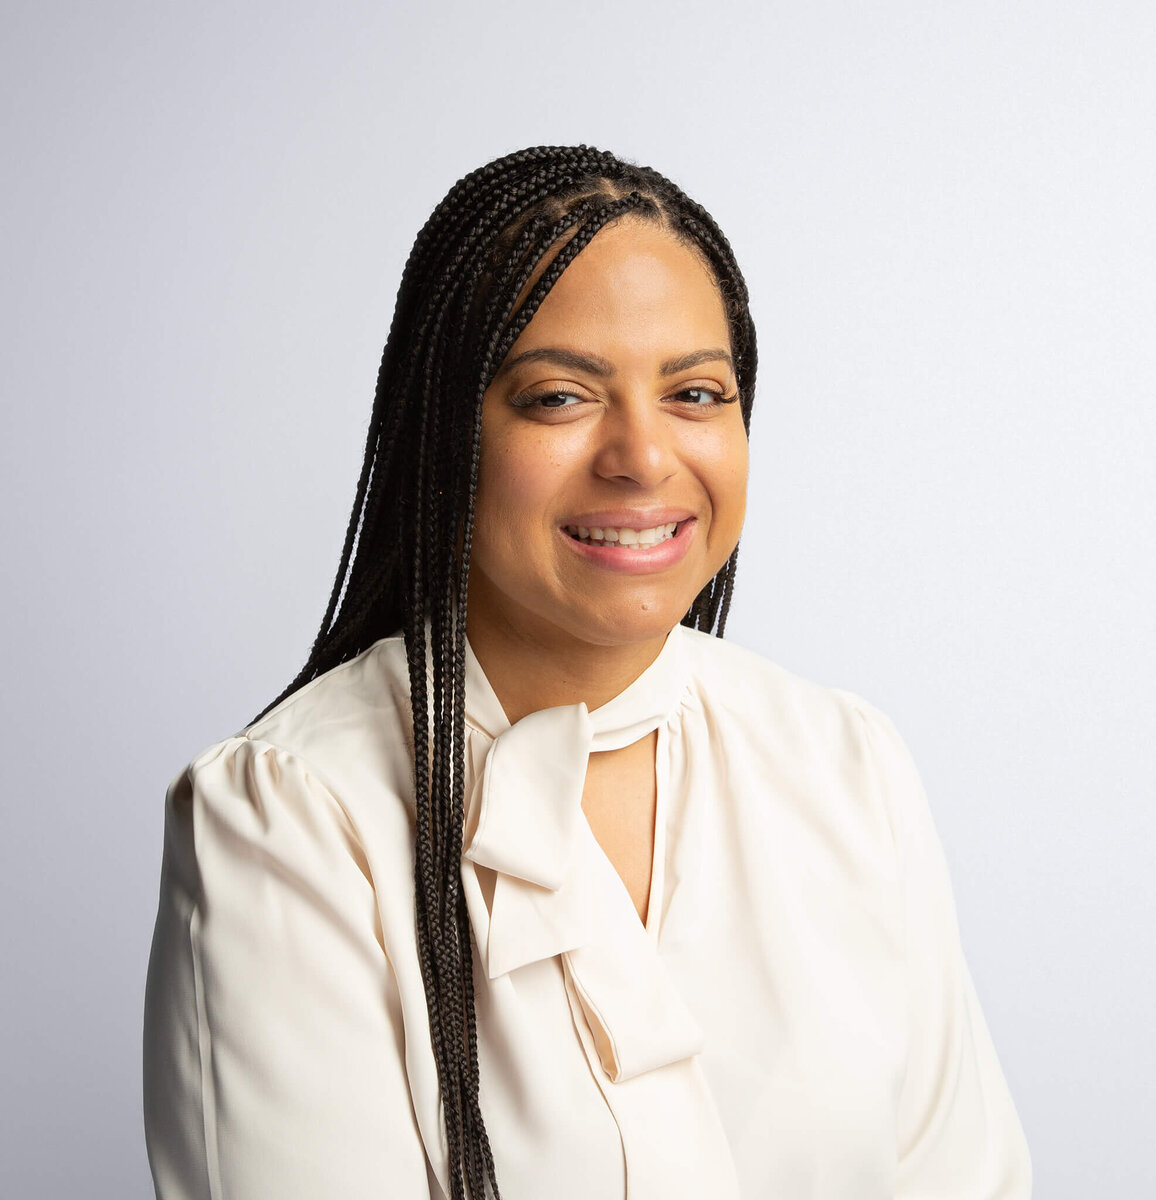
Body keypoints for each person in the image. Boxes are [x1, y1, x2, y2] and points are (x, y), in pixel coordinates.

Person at [142, 145, 1032, 1200]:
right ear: (445, 435)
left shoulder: (847, 766)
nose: (643, 457)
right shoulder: (291, 818)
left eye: (696, 392)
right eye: (561, 397)